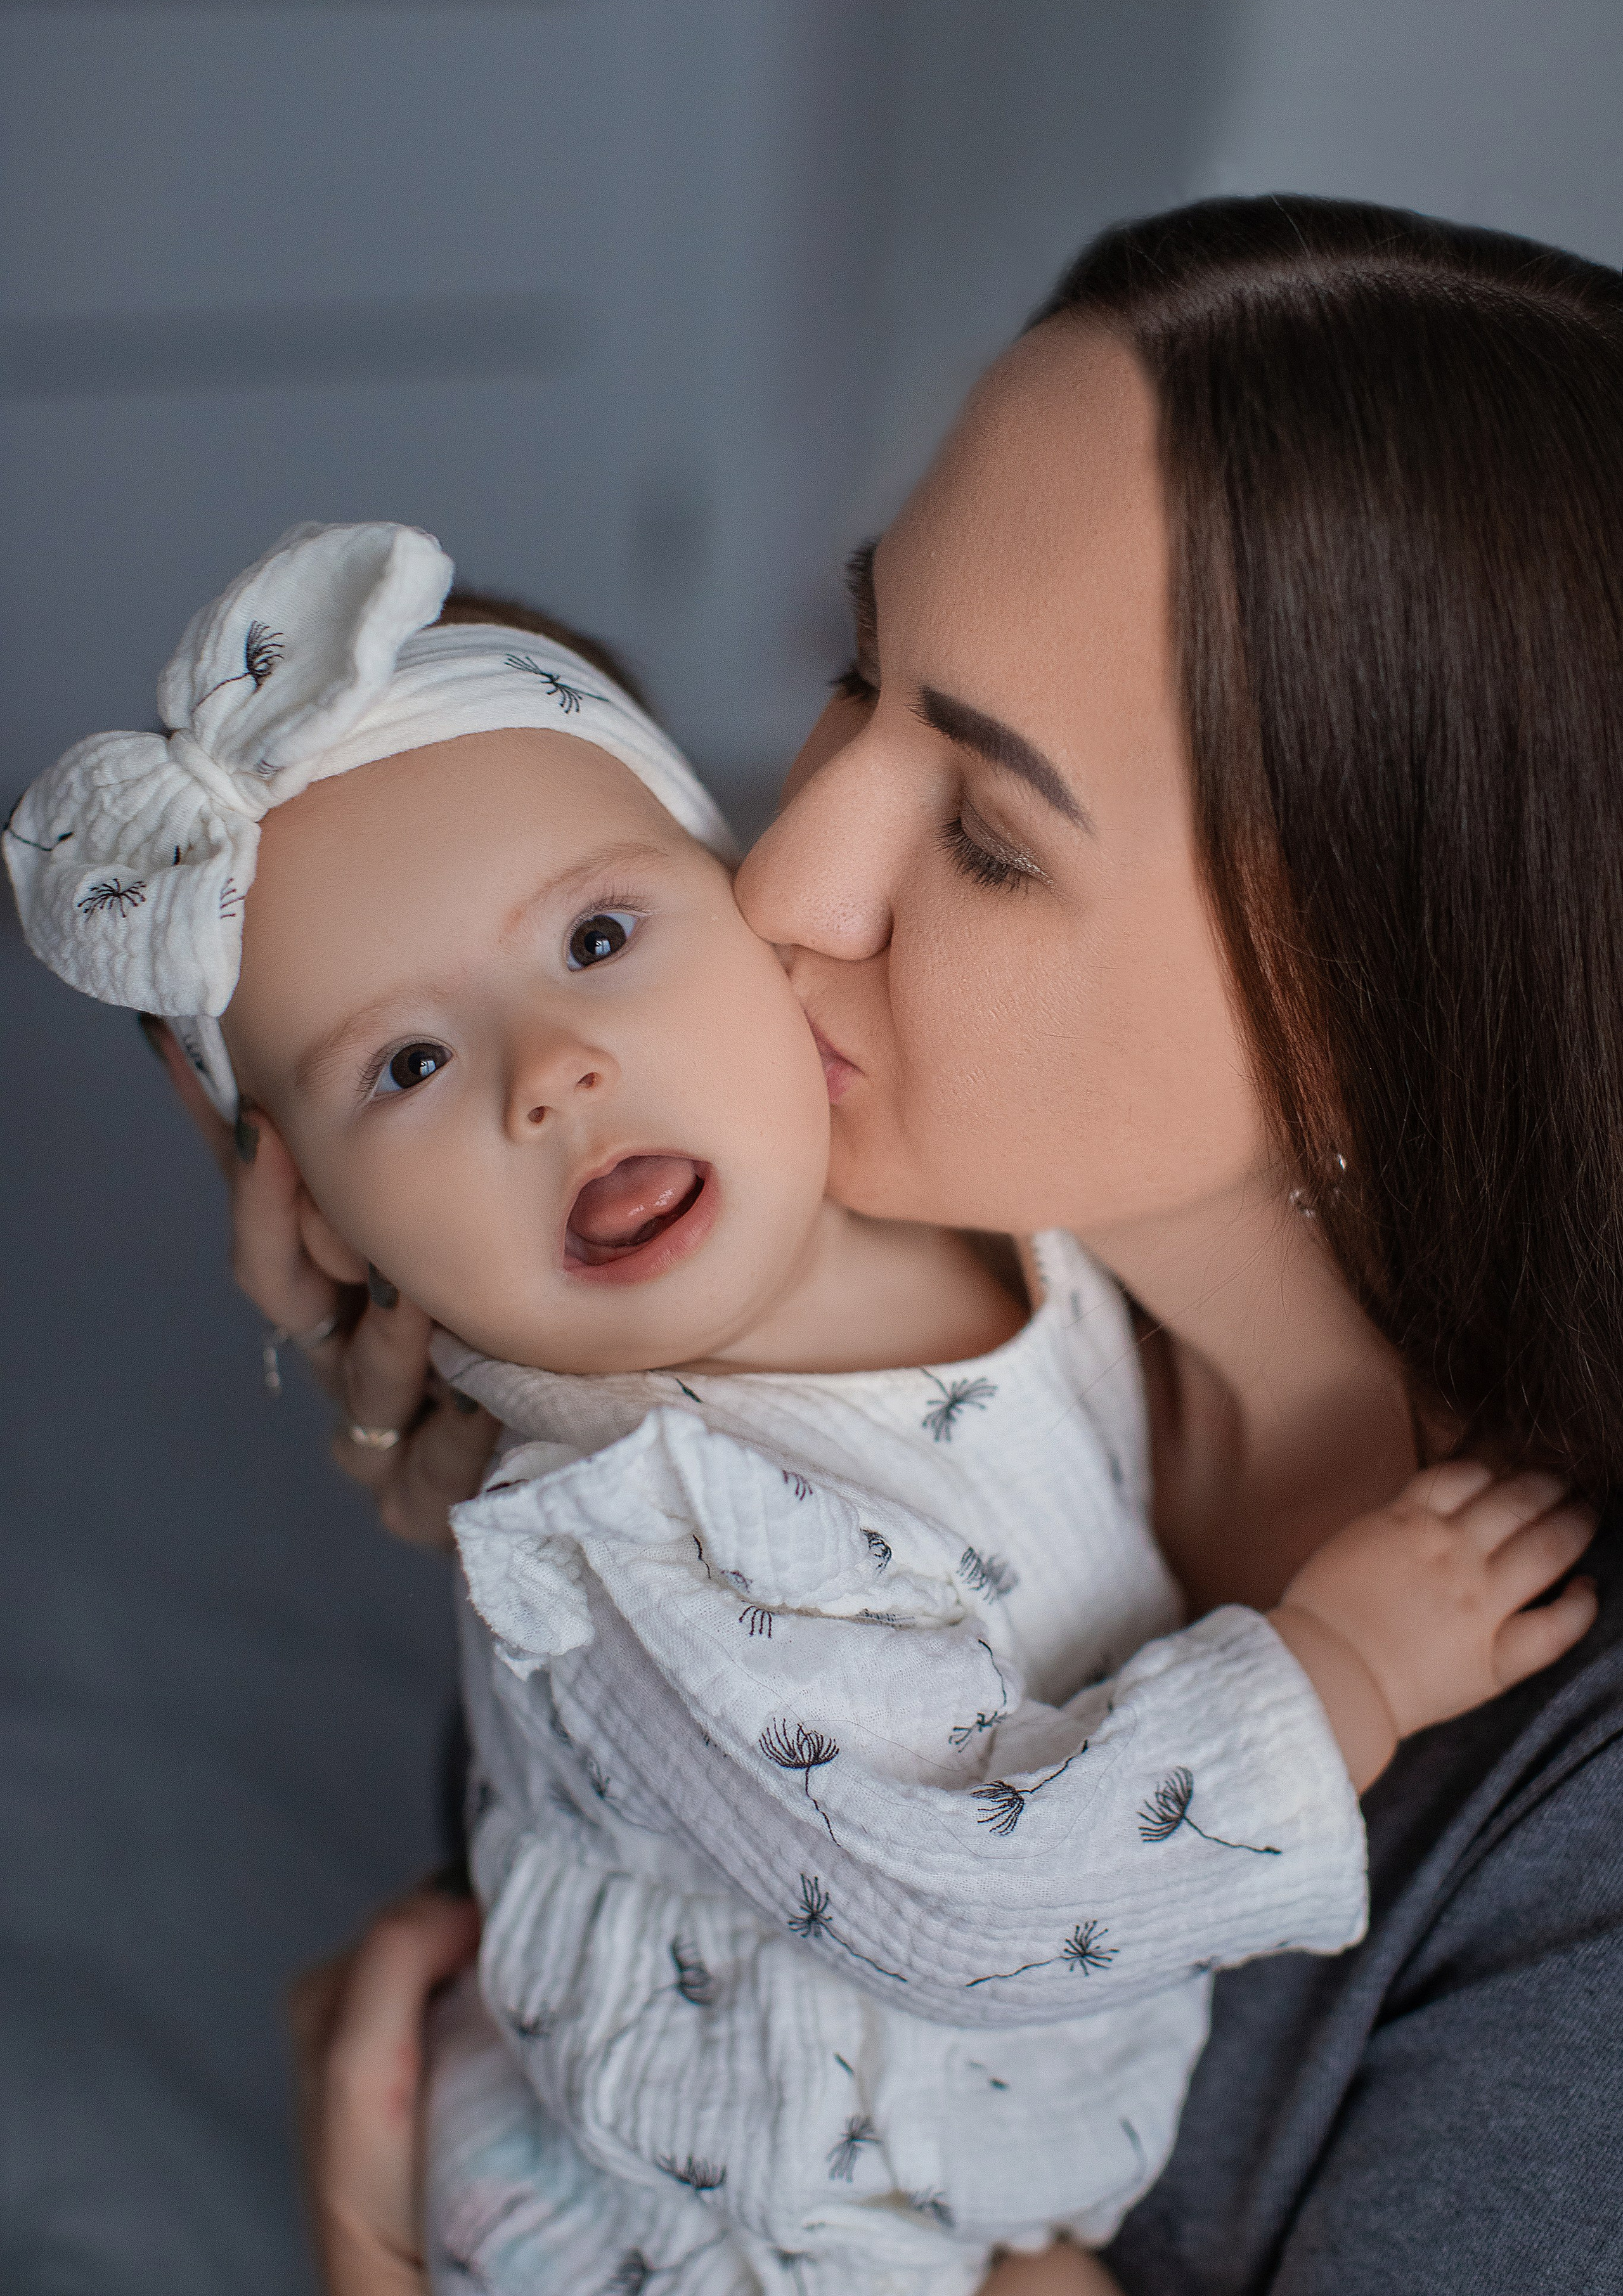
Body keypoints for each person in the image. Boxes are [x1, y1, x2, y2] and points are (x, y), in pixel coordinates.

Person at [172, 195, 1623, 2293]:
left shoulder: (1567, 1840)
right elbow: (605, 1915)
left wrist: (369, 2237)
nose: (782, 882)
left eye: (988, 840)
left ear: (1384, 999)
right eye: (863, 677)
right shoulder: (753, 1251)